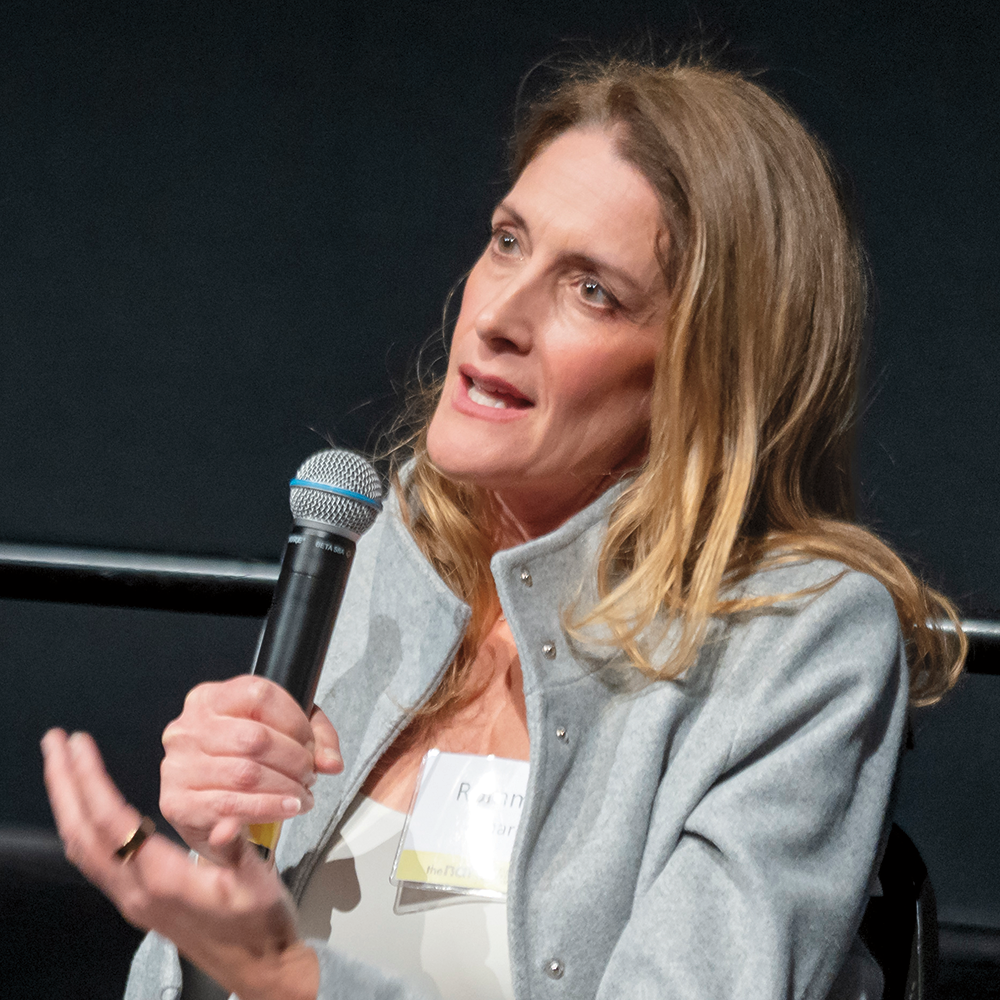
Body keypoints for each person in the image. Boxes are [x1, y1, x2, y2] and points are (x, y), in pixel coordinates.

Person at [42, 56, 964, 1000]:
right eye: (509, 242)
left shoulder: (799, 642)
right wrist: (215, 868)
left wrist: (292, 977)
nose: (497, 316)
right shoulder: (388, 545)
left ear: (712, 375)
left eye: (592, 290)